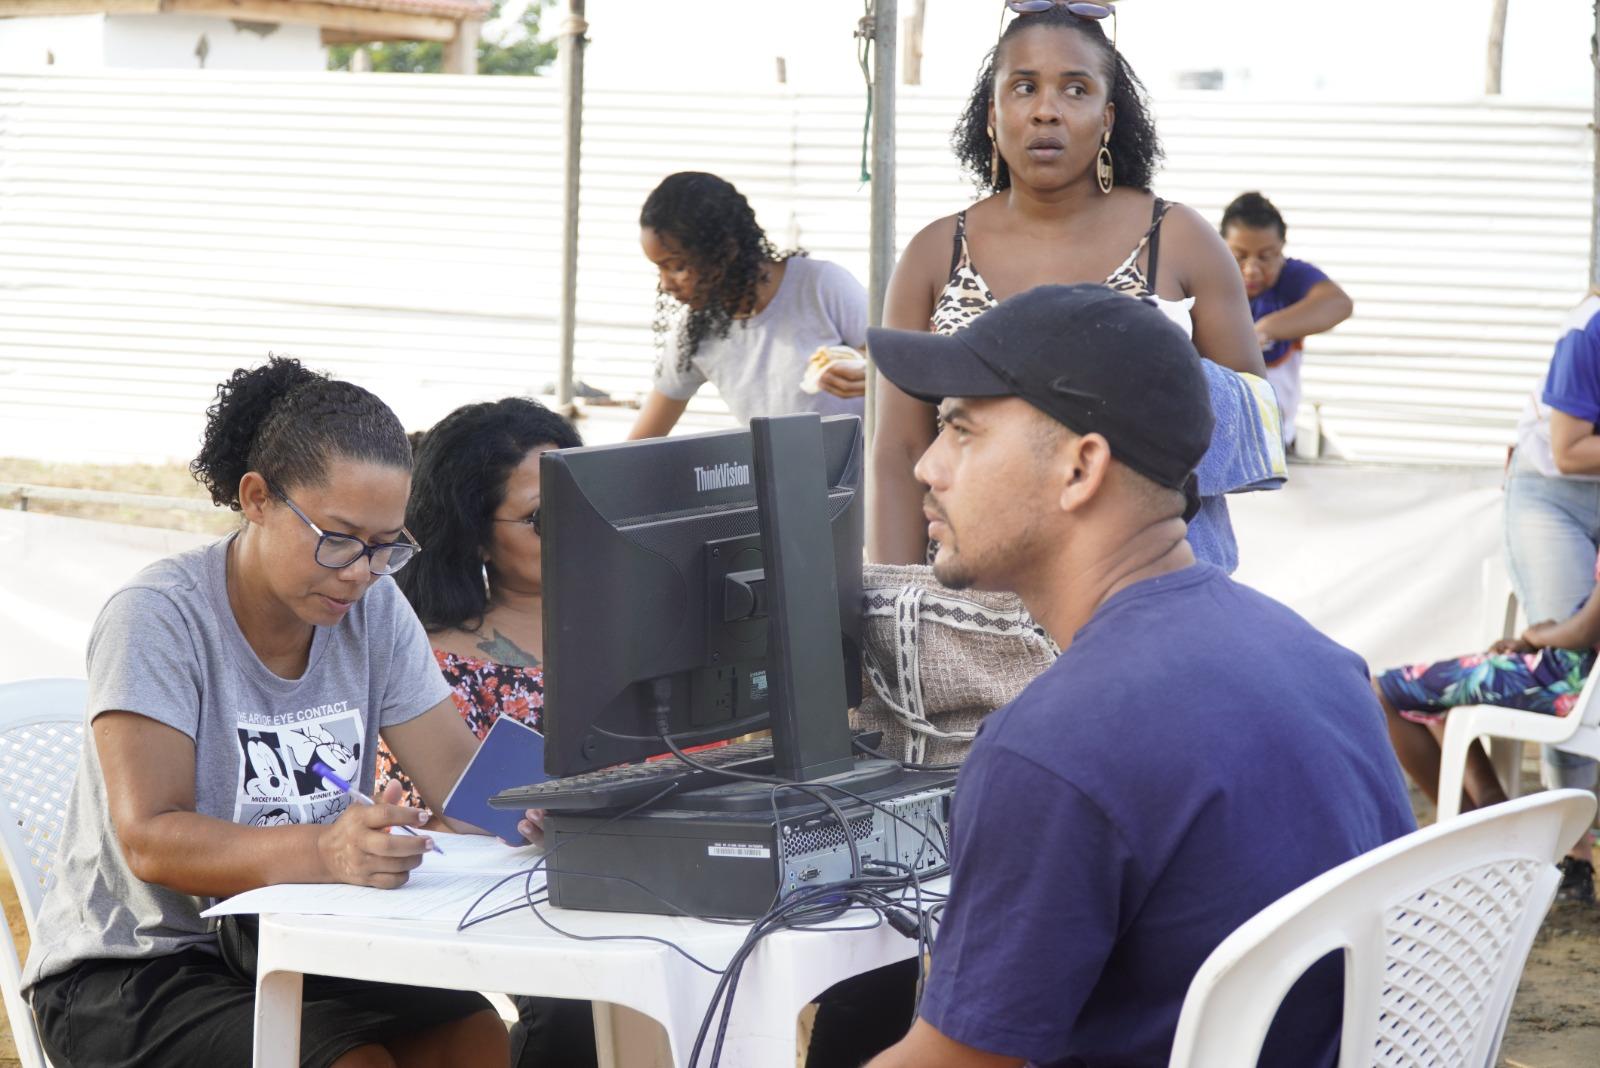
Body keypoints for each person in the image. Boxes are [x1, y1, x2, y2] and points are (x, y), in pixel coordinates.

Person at [862, 284, 1415, 1068]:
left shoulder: (1054, 749)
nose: (925, 465)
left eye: (961, 429)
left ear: (1082, 468)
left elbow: (955, 1062)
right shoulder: (1319, 660)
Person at [22, 356, 509, 1068]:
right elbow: (151, 841)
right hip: (135, 971)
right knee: (348, 1062)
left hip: (296, 939)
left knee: (472, 1035)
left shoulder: (372, 604)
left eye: (385, 547)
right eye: (338, 537)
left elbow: (462, 783)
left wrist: (560, 802)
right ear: (256, 498)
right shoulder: (158, 617)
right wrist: (328, 852)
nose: (359, 570)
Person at [869, 2, 1268, 568]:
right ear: (992, 112)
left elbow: (1256, 421)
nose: (1046, 111)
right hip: (975, 601)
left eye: (1076, 90)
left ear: (1108, 117)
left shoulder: (1179, 240)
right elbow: (901, 451)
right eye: (1024, 87)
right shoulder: (934, 253)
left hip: (1142, 592)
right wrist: (896, 602)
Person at [382, 396, 600, 1066]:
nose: (573, 527)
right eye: (539, 518)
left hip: (641, 879)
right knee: (579, 1007)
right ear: (477, 534)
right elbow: (416, 818)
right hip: (515, 903)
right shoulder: (426, 656)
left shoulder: (639, 621)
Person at [1372, 580, 1595, 898]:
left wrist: (1536, 635)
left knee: (1384, 691)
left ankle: (1476, 844)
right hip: (1574, 673)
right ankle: (1490, 826)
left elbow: (1585, 632)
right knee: (1435, 697)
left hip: (1568, 679)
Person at [1496, 284, 1600, 900]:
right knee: (1568, 665)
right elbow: (1570, 449)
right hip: (1554, 493)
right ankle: (1574, 858)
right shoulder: (1588, 330)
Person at [629, 171, 867, 438]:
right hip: (787, 480)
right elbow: (640, 443)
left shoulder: (820, 284)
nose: (666, 283)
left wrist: (867, 373)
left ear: (726, 248)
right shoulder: (696, 331)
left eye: (677, 266)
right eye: (659, 269)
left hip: (868, 477)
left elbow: (893, 357)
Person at [1220, 191, 1354, 446]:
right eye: (1240, 256)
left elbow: (1338, 304)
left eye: (1265, 256)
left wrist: (1265, 329)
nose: (1252, 269)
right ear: (1221, 248)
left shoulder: (1293, 277)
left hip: (1274, 437)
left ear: (1281, 249)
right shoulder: (1209, 278)